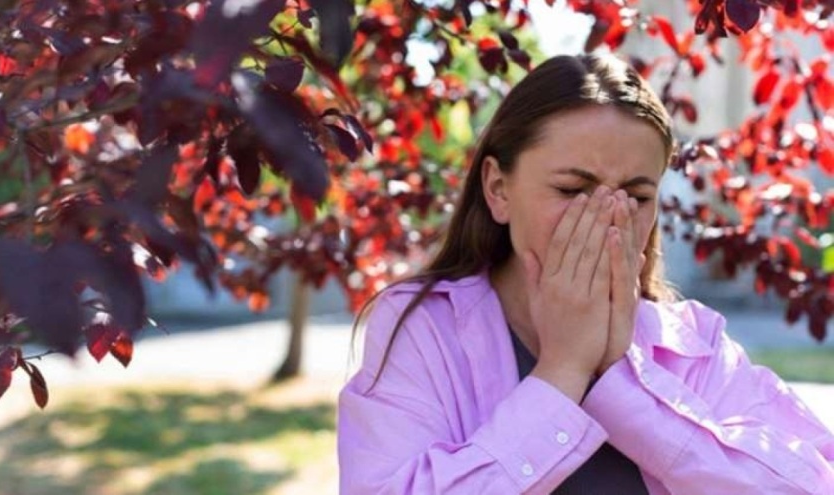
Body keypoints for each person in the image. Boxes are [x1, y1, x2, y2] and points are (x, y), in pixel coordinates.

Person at [336, 53, 834, 494]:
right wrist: (562, 372)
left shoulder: (693, 343)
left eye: (637, 196)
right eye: (572, 190)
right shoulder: (423, 327)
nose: (609, 219)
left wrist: (624, 385)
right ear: (498, 189)